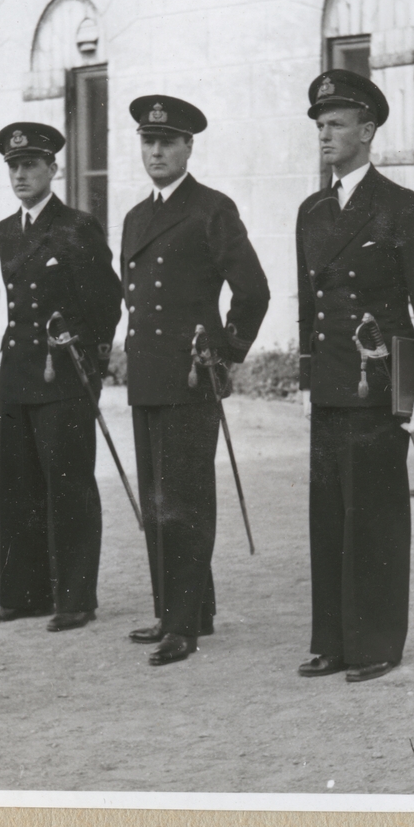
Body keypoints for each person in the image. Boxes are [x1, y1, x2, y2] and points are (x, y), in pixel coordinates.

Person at [296, 70, 414, 683]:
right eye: (319, 124)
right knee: (328, 516)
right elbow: (308, 306)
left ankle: (377, 642)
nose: (324, 134)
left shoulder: (401, 208)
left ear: (367, 131)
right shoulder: (312, 211)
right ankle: (333, 640)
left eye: (336, 124)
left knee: (376, 518)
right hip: (331, 386)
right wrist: (306, 379)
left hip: (379, 383)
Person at [120, 94, 270, 666]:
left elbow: (253, 290)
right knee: (156, 499)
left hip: (189, 375)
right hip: (147, 375)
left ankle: (182, 626)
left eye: (167, 142)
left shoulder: (211, 209)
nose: (156, 151)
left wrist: (224, 353)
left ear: (188, 147)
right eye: (148, 142)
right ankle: (181, 609)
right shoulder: (136, 217)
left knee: (183, 500)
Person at [0, 123, 122, 630]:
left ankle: (75, 598)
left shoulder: (76, 227)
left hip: (64, 376)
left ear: (53, 169)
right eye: (13, 167)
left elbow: (107, 301)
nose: (20, 175)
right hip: (18, 371)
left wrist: (91, 368)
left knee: (69, 485)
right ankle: (24, 594)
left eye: (30, 165)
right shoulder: (5, 230)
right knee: (18, 485)